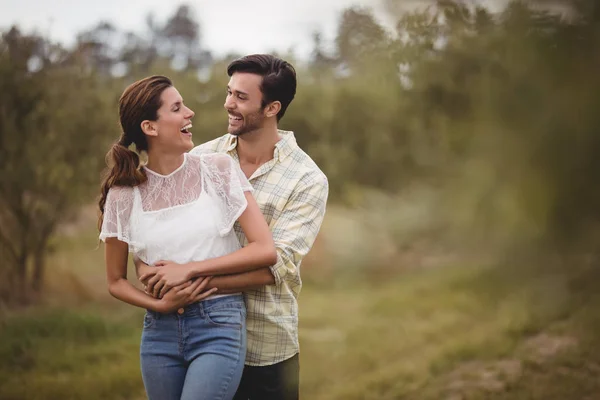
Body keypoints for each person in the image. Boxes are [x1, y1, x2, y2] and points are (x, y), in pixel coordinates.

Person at [138, 54, 329, 399]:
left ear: (272, 107)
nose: (228, 104)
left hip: (264, 346)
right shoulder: (200, 159)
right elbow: (163, 233)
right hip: (196, 334)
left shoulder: (307, 179)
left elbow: (277, 267)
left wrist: (190, 277)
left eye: (241, 97)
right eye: (229, 93)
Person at [98, 75, 277, 400]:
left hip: (219, 323)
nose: (189, 113)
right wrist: (158, 304)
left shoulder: (219, 169)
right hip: (159, 332)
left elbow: (265, 250)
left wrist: (190, 270)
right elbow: (115, 281)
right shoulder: (123, 193)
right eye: (177, 108)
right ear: (150, 127)